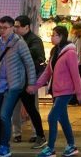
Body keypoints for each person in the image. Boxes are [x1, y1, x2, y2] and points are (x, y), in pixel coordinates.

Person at [0, 16, 38, 157]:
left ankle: (5, 147)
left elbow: (29, 64)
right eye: (0, 27)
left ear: (12, 28)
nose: (2, 30)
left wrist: (31, 83)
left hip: (14, 86)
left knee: (5, 115)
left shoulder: (20, 43)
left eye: (5, 27)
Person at [27, 25, 81, 157]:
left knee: (52, 117)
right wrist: (35, 86)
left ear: (62, 36)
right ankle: (71, 146)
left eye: (54, 35)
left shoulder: (70, 53)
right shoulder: (55, 51)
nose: (51, 37)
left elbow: (75, 74)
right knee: (63, 119)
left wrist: (79, 92)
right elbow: (47, 72)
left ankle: (50, 148)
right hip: (57, 91)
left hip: (66, 91)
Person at [11, 16, 47, 147]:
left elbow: (37, 57)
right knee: (15, 107)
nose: (15, 29)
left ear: (27, 27)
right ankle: (16, 133)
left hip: (29, 81)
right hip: (16, 79)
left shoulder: (35, 40)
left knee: (32, 108)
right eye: (14, 26)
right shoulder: (15, 39)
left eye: (18, 26)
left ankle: (36, 134)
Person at [69, 23, 81, 102]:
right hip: (79, 63)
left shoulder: (69, 37)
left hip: (70, 62)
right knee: (78, 81)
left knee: (71, 81)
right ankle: (78, 99)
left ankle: (71, 99)